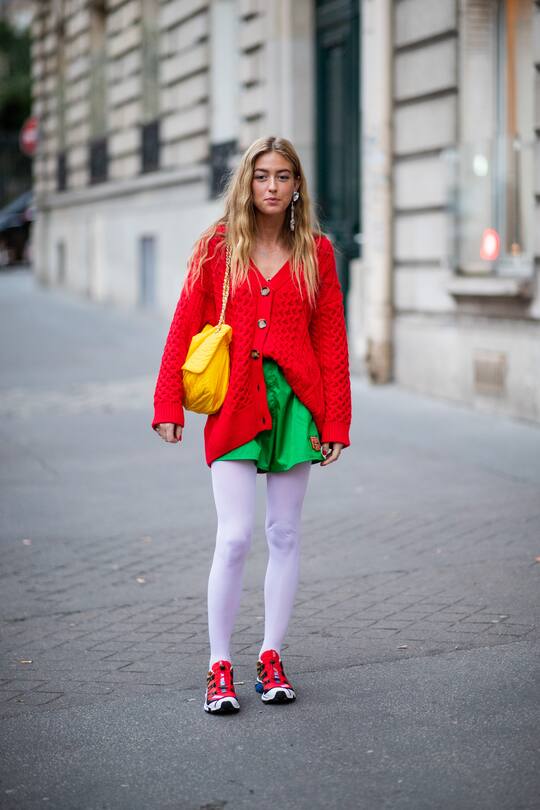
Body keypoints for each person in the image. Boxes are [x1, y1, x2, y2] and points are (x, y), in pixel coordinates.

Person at [152, 135, 351, 714]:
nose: (271, 186)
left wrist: (335, 417)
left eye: (283, 176)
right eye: (261, 175)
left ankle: (270, 656)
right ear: (246, 181)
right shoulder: (217, 248)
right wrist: (167, 403)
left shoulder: (318, 251)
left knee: (285, 534)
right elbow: (184, 324)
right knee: (235, 536)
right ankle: (219, 665)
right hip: (234, 402)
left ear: (297, 187)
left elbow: (330, 339)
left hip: (296, 407)